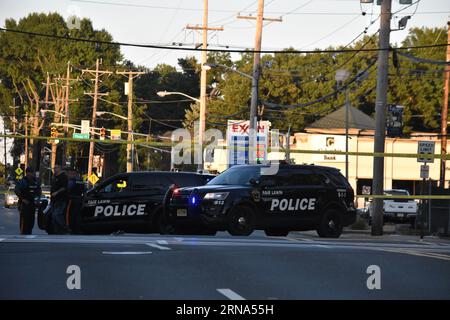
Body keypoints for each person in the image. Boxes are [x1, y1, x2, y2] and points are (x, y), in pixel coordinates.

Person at [14, 167, 41, 235]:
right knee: (24, 220)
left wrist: (38, 199)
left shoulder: (35, 181)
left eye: (32, 173)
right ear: (27, 173)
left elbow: (39, 191)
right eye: (31, 173)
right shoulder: (23, 181)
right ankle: (23, 233)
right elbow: (16, 190)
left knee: (31, 220)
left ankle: (29, 233)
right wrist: (22, 199)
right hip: (24, 204)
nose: (32, 174)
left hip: (32, 203)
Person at [66, 168, 85, 234]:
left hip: (72, 200)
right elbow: (84, 190)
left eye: (70, 174)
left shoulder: (72, 181)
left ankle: (71, 228)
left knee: (70, 215)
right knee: (78, 215)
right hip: (79, 199)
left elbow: (68, 189)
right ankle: (77, 229)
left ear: (74, 174)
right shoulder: (81, 181)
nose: (69, 175)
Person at [50, 165, 68, 234]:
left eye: (56, 168)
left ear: (60, 169)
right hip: (54, 199)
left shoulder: (63, 177)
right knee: (53, 216)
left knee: (57, 214)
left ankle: (64, 227)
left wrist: (57, 192)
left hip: (61, 199)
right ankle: (57, 231)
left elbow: (64, 187)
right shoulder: (54, 177)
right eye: (54, 168)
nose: (54, 169)